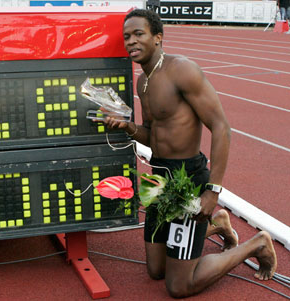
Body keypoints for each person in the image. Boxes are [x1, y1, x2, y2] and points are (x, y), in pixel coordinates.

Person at [100, 9, 277, 298]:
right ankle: (217, 225)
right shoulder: (142, 82)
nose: (131, 41)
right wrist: (128, 127)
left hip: (188, 180)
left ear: (158, 37)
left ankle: (255, 244)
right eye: (127, 37)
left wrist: (212, 191)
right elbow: (153, 137)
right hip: (158, 179)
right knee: (156, 270)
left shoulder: (182, 70)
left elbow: (221, 127)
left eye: (138, 34)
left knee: (178, 285)